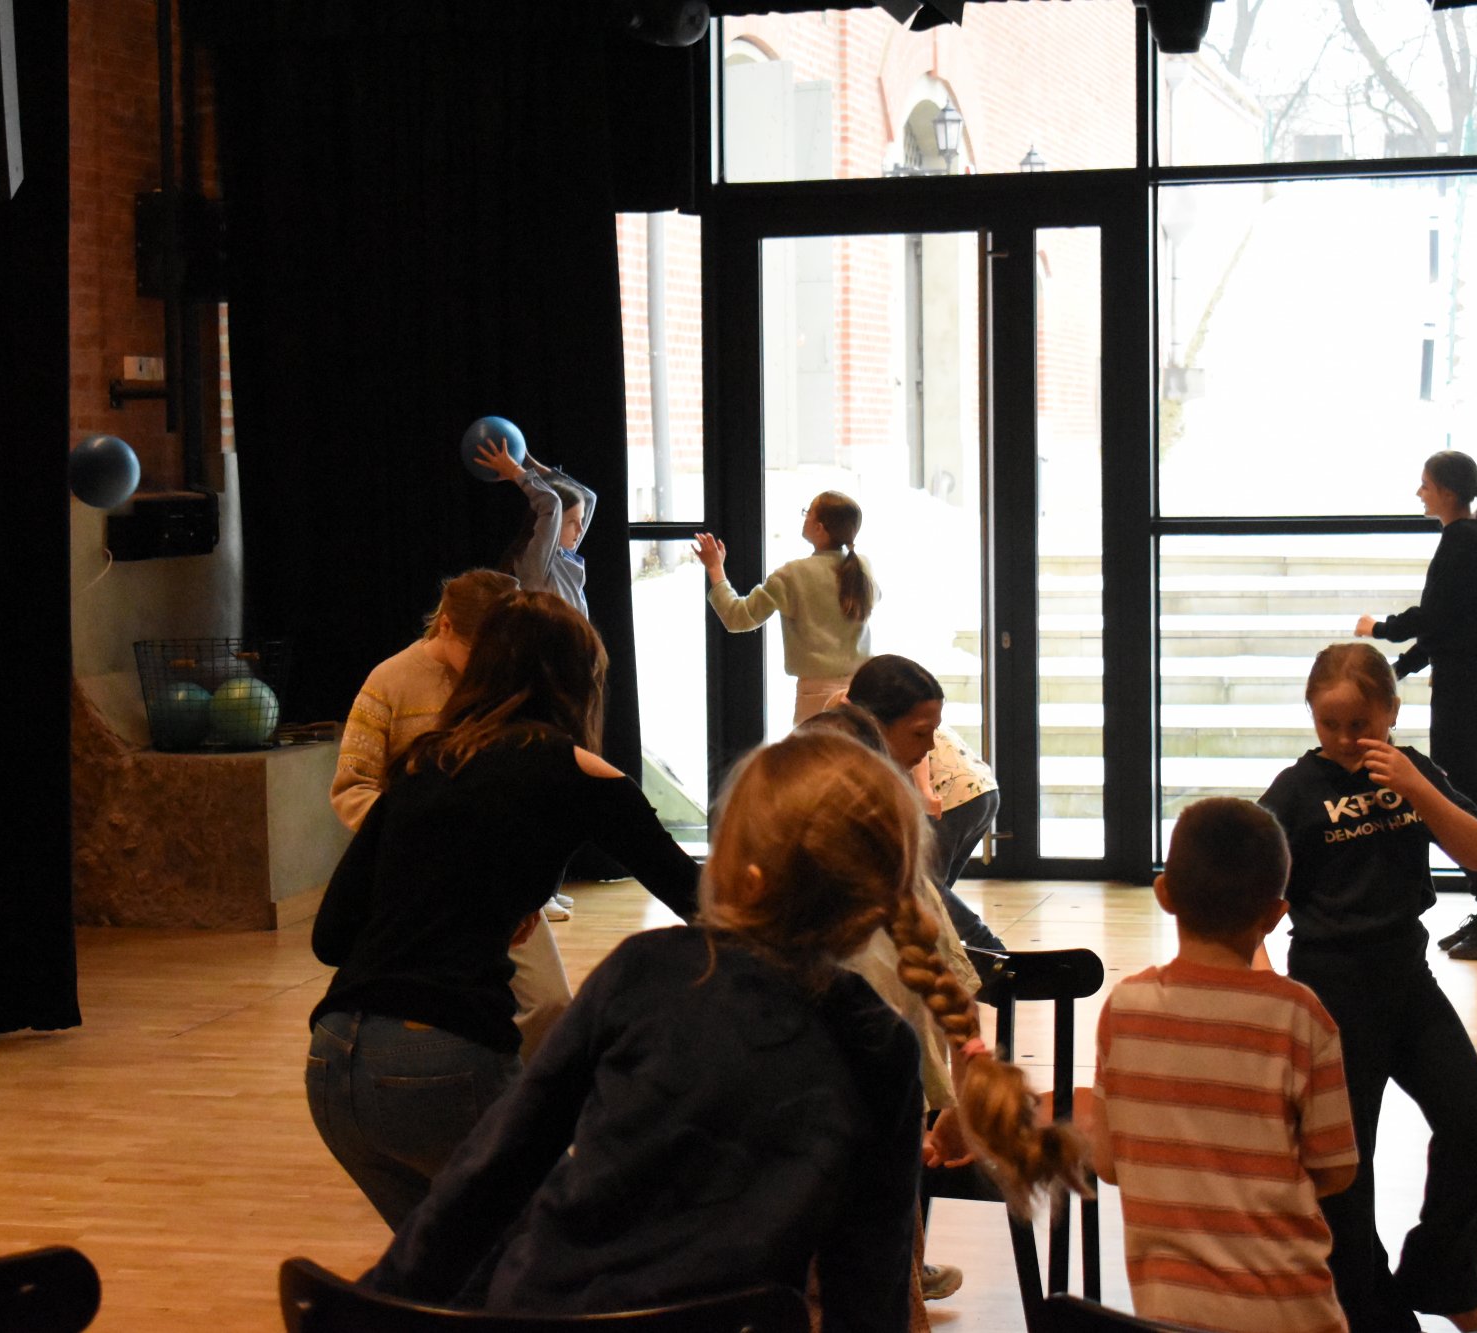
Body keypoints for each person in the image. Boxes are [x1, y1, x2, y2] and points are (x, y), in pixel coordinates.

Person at [363, 730, 1086, 1329]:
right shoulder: (878, 1044)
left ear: (739, 868)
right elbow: (867, 1286)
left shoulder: (642, 971)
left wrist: (370, 1302)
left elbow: (493, 1169)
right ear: (880, 897)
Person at [306, 590, 697, 1230]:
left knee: (448, 1270)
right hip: (439, 1058)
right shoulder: (581, 775)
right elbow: (698, 900)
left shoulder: (421, 764)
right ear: (577, 683)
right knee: (554, 1250)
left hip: (331, 1063)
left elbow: (331, 936)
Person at [1259, 643, 1477, 1333]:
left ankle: (1442, 1279)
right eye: (1330, 724)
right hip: (1331, 988)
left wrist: (1416, 786)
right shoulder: (1295, 791)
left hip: (1407, 979)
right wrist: (1256, 978)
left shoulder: (1412, 771)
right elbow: (1252, 889)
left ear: (1392, 713)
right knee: (1347, 1168)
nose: (1345, 740)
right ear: (1312, 717)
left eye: (1360, 725)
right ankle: (1371, 1313)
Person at [1067, 798, 1357, 1333]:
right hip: (1292, 1313)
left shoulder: (1125, 1009)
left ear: (1164, 894)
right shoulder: (1300, 1016)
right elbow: (1336, 1168)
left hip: (1169, 1316)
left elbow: (1107, 1164)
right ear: (1275, 915)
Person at [328, 568, 572, 1058]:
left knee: (550, 1003)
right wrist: (416, 835)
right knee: (430, 1014)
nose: (491, 662)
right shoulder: (390, 681)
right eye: (480, 649)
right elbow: (353, 786)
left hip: (496, 880)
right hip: (413, 889)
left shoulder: (506, 680)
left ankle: (512, 1094)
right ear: (444, 626)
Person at [795, 703, 980, 1318]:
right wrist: (959, 1102)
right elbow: (960, 1001)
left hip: (838, 1135)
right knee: (880, 1291)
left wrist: (959, 1104)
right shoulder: (907, 890)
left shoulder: (769, 899)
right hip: (869, 1130)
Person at [1355, 450, 1477, 959]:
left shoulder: (1461, 541)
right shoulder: (1472, 538)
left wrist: (1379, 629)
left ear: (1447, 492)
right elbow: (1447, 626)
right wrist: (1399, 670)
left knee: (1456, 801)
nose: (1419, 493)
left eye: (1425, 485)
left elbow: (1431, 618)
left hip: (1466, 692)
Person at [844, 655, 1004, 951]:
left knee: (925, 886)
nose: (930, 744)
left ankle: (982, 946)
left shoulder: (883, 750)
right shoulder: (848, 753)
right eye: (920, 733)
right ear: (873, 721)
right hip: (981, 791)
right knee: (926, 887)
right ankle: (978, 947)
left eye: (933, 731)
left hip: (958, 795)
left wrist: (925, 793)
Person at [692, 491, 878, 724]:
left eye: (808, 512)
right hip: (863, 692)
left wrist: (715, 568)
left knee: (813, 750)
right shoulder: (862, 567)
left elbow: (738, 617)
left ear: (819, 527)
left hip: (816, 698)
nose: (805, 517)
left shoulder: (793, 575)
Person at [474, 435, 596, 620]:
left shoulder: (562, 555)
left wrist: (527, 461)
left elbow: (588, 498)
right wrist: (515, 471)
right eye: (572, 522)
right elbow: (551, 503)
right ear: (554, 523)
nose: (580, 529)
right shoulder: (536, 563)